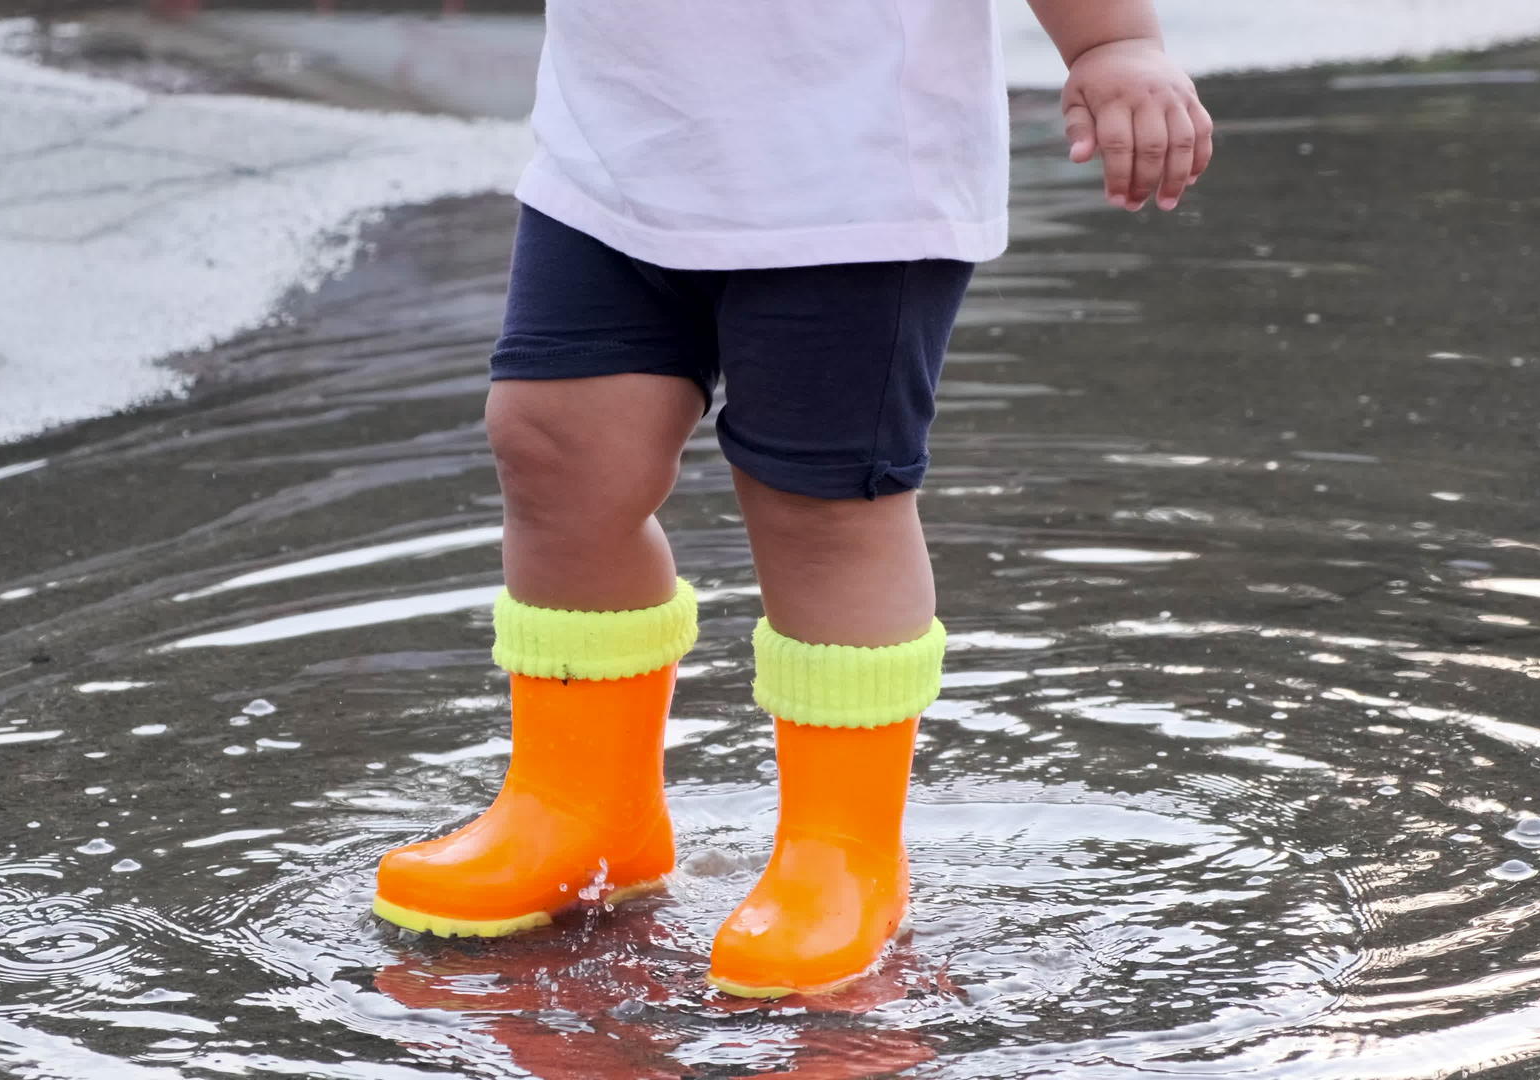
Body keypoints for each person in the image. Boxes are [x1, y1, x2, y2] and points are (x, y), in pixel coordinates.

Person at [373, 0, 1213, 998]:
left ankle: (842, 852)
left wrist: (1112, 44)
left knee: (819, 508)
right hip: (616, 150)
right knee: (554, 450)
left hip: (849, 174)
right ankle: (579, 807)